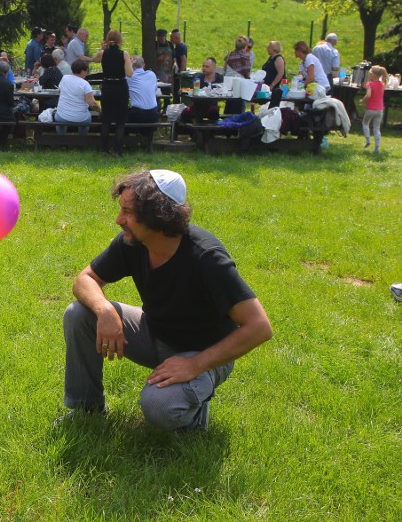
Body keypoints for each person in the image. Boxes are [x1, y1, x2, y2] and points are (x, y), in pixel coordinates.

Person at [60, 169, 273, 431]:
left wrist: (195, 364)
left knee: (160, 406)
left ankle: (195, 417)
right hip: (155, 331)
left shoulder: (207, 258)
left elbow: (260, 327)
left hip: (203, 352)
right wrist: (104, 310)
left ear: (157, 215)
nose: (119, 219)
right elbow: (85, 279)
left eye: (128, 212)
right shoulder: (133, 242)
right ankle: (87, 409)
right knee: (79, 314)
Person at [92, 30, 134, 156]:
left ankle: (104, 150)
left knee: (106, 120)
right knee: (120, 121)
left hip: (108, 87)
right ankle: (118, 150)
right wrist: (129, 63)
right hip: (120, 87)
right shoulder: (124, 54)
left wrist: (101, 48)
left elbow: (94, 59)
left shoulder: (102, 53)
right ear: (120, 41)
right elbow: (129, 73)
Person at [54, 60, 101, 135]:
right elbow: (92, 104)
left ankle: (61, 139)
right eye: (86, 71)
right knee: (87, 118)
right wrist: (100, 110)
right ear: (82, 71)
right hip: (81, 118)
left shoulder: (64, 78)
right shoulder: (85, 84)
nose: (86, 73)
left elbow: (60, 90)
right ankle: (81, 138)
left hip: (62, 116)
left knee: (60, 120)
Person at [181, 58, 224, 123]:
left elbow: (223, 93)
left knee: (214, 111)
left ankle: (210, 131)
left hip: (212, 104)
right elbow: (194, 92)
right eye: (203, 66)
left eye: (207, 66)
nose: (204, 68)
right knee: (185, 113)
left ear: (214, 67)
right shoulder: (199, 78)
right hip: (199, 105)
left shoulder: (220, 78)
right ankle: (193, 131)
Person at [361, 65, 388, 153]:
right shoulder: (382, 84)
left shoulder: (370, 84)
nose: (369, 75)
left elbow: (368, 95)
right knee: (377, 128)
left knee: (365, 123)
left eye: (370, 74)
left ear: (374, 75)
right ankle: (377, 147)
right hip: (380, 109)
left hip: (371, 109)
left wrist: (363, 100)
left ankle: (368, 140)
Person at [126, 56, 160, 125]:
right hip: (153, 114)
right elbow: (155, 90)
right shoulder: (152, 74)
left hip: (137, 114)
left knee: (121, 117)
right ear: (143, 65)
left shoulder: (128, 77)